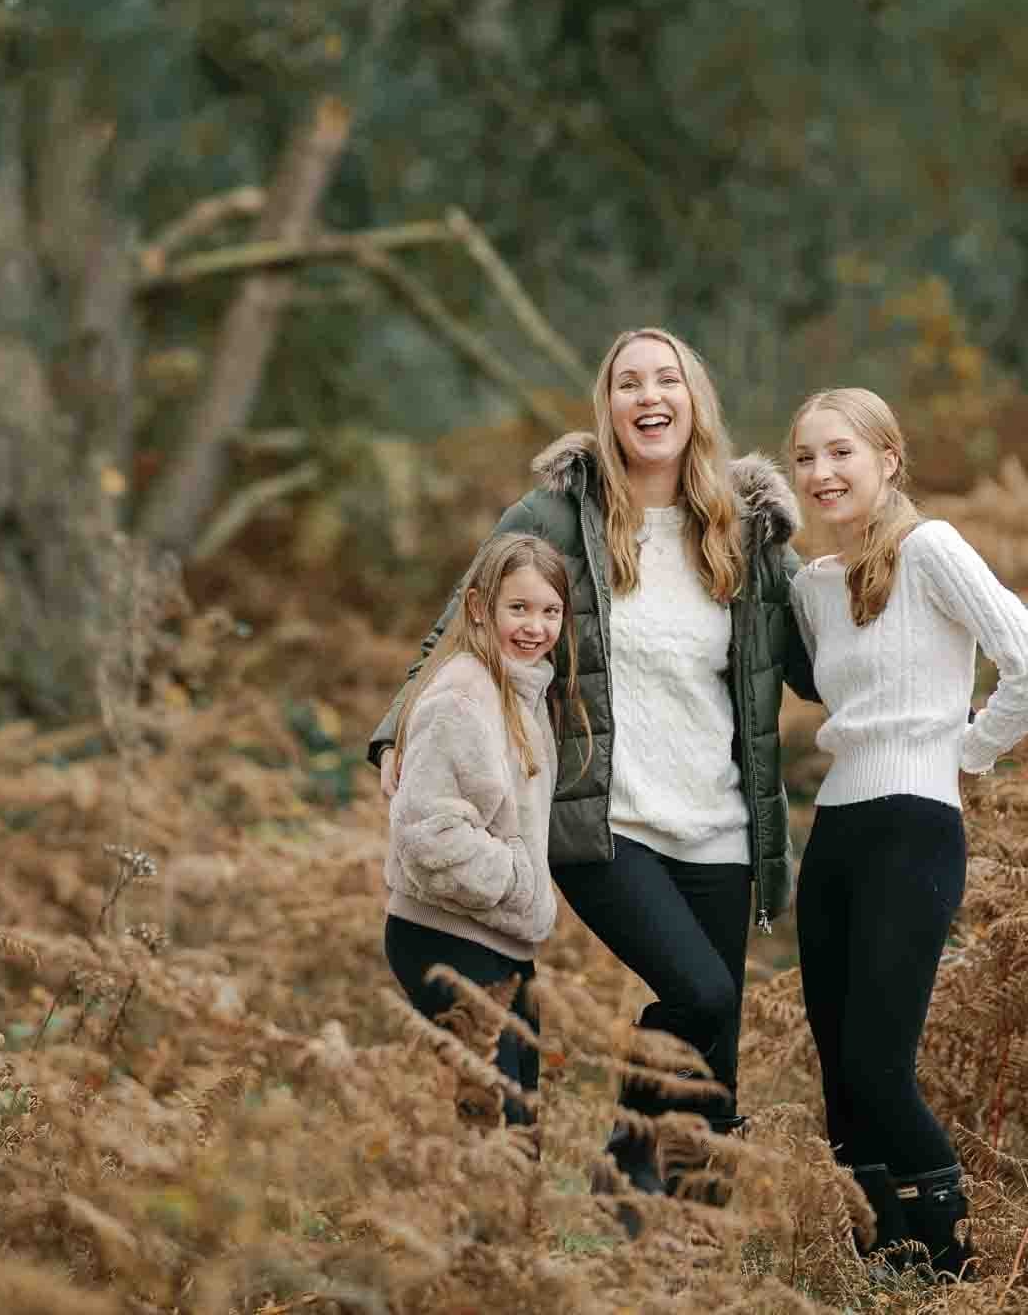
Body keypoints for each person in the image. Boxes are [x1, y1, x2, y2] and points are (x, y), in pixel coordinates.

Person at [374, 327, 815, 1220]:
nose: (648, 396)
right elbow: (456, 622)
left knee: (712, 1043)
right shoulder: (552, 518)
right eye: (628, 383)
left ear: (695, 402)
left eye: (667, 380)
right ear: (608, 407)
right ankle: (624, 1158)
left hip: (723, 825)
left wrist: (885, 583)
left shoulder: (744, 530)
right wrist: (395, 733)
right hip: (601, 821)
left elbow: (814, 658)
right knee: (699, 992)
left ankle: (680, 1244)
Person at [788, 388, 1028, 1281]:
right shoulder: (813, 587)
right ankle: (880, 1259)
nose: (821, 473)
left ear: (888, 458)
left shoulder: (929, 550)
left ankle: (950, 1262)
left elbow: (1023, 656)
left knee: (878, 1067)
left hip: (912, 830)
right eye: (805, 457)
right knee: (839, 1073)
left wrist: (963, 751)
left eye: (839, 452)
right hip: (835, 836)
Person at [384, 531, 584, 1140]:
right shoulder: (461, 698)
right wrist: (521, 880)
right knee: (488, 1128)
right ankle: (476, 1237)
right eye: (518, 608)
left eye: (550, 611)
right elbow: (428, 834)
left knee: (517, 1129)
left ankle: (505, 1238)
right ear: (478, 607)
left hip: (500, 940)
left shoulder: (520, 692)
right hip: (448, 937)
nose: (535, 626)